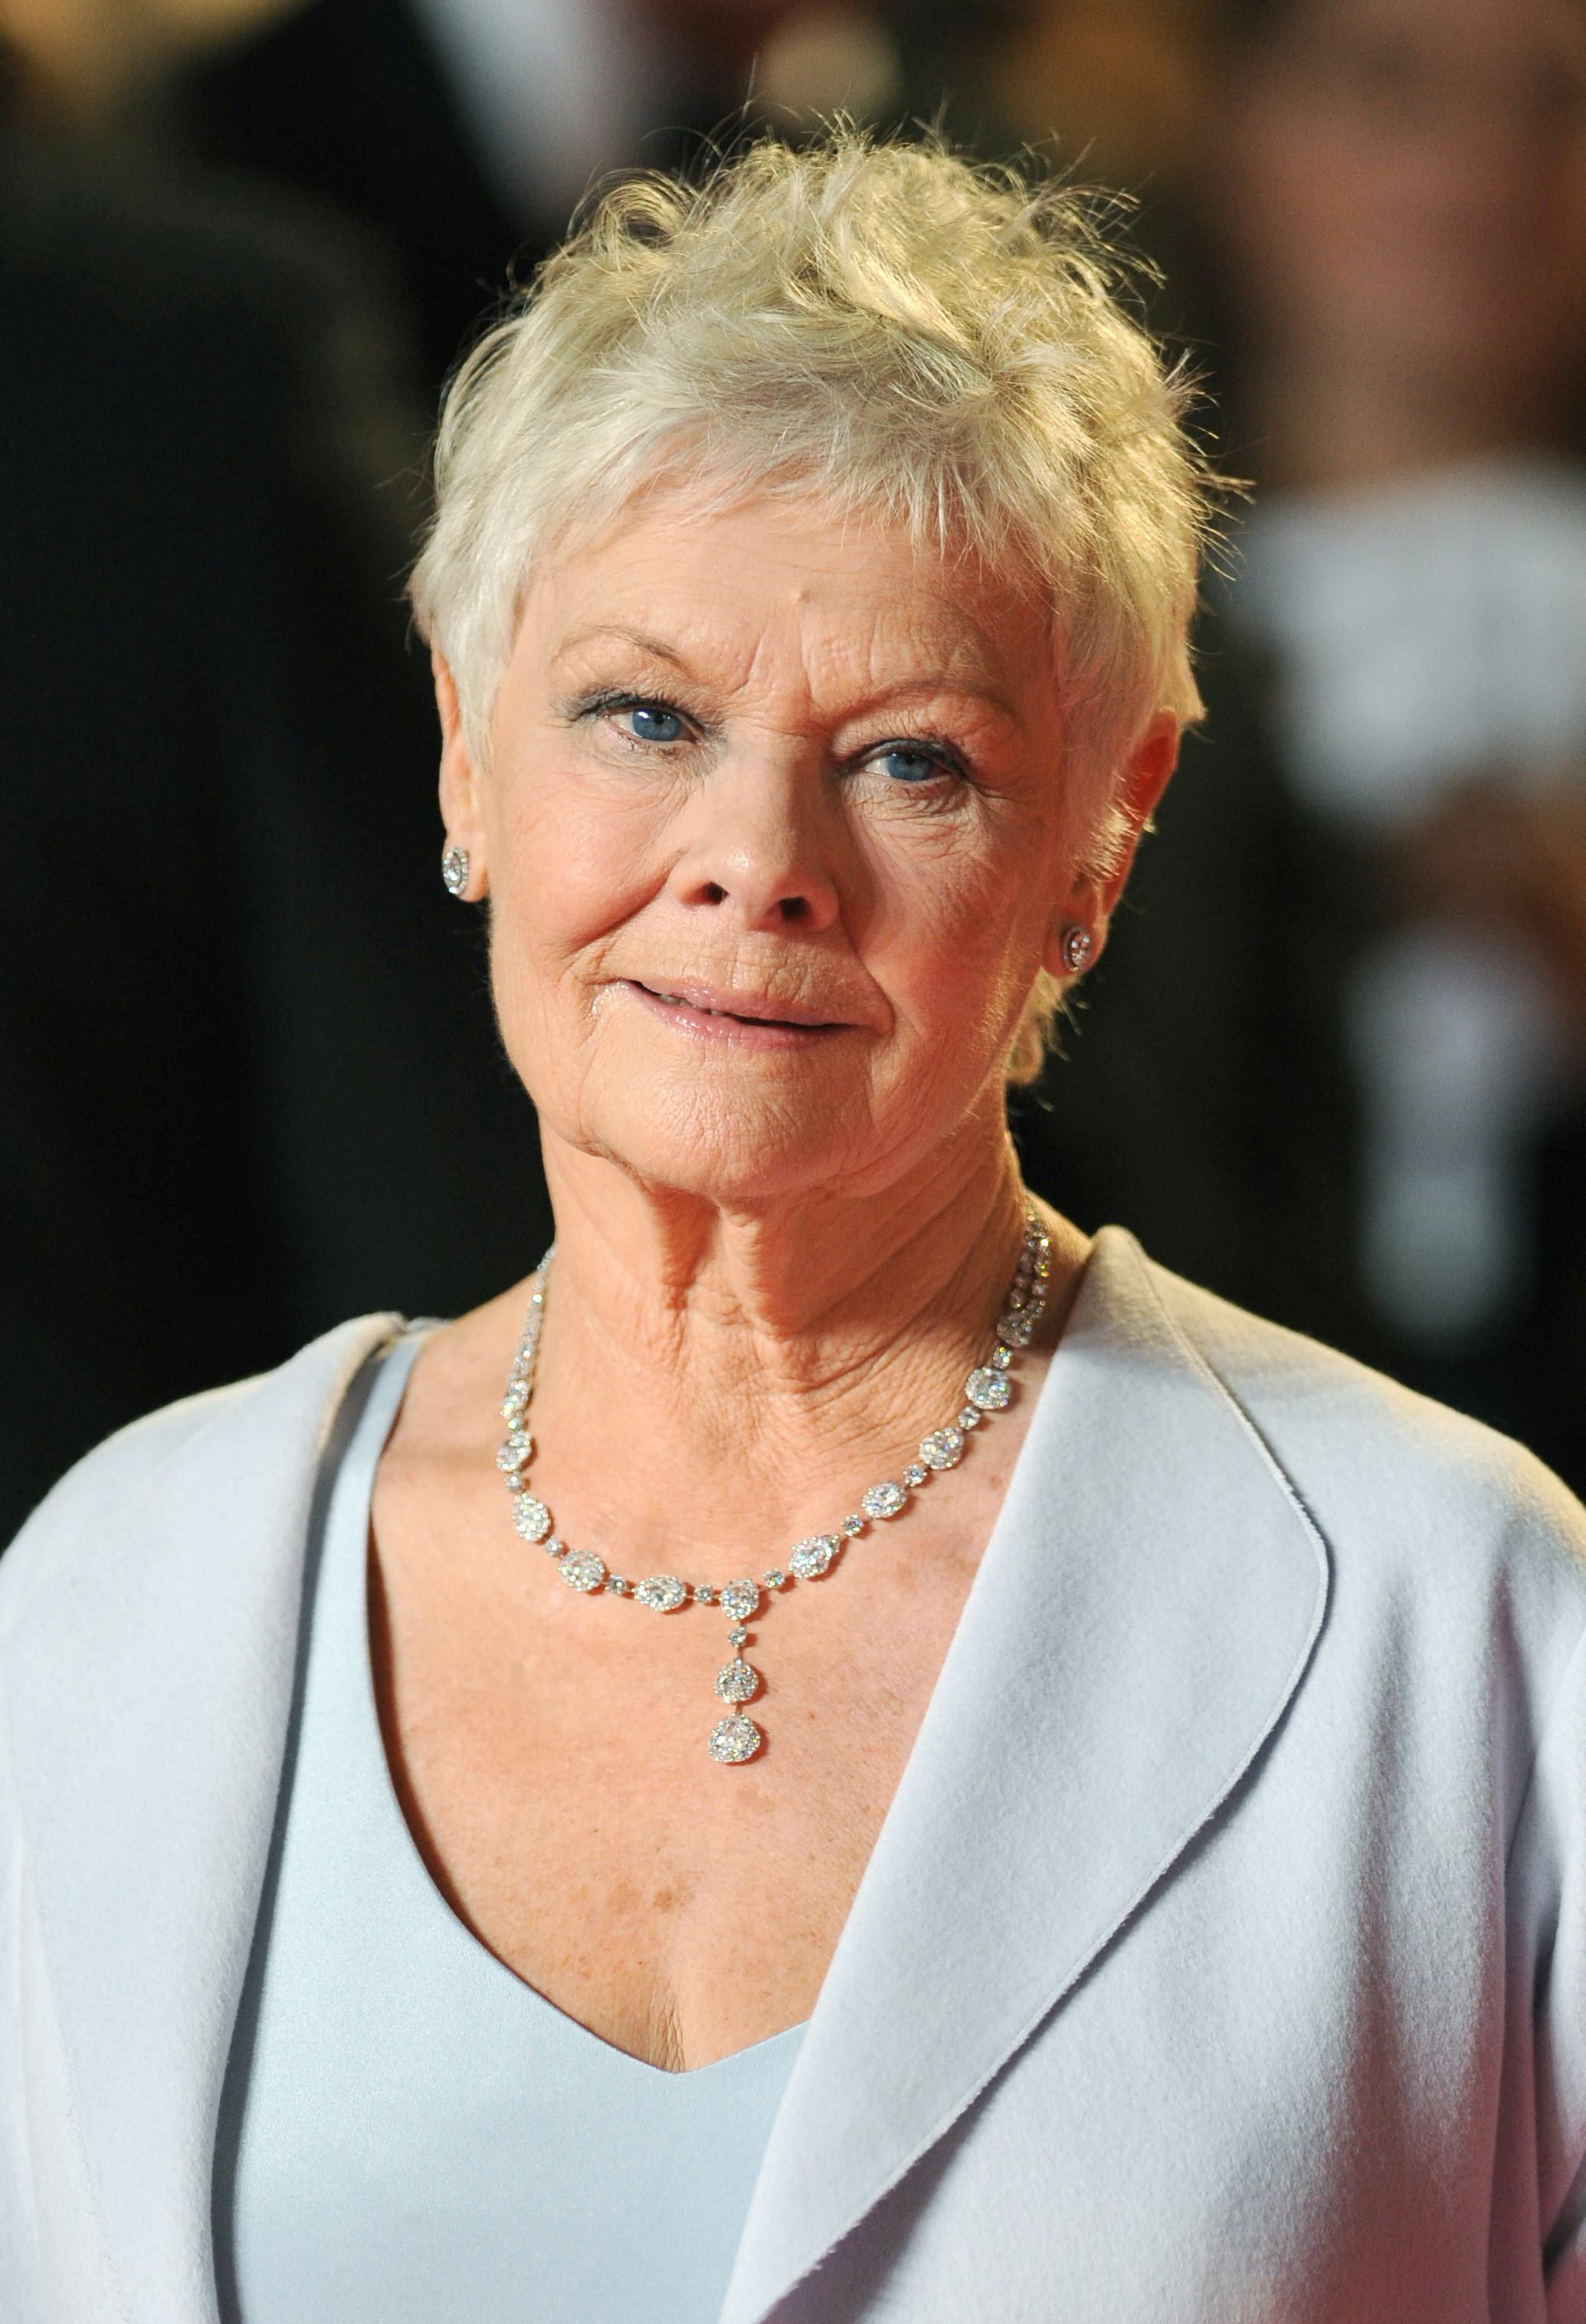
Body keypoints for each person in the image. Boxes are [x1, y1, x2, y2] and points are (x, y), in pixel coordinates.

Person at [1, 133, 1583, 2323]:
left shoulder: (1459, 1620)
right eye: (640, 715)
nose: (756, 860)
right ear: (464, 754)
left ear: (1097, 848)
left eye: (910, 760)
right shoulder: (123, 1594)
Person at [1191, 0, 1586, 1486]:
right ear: (1234, 124)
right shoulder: (1064, 616)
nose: (1477, 169)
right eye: (1392, 89)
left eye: (1550, 102)